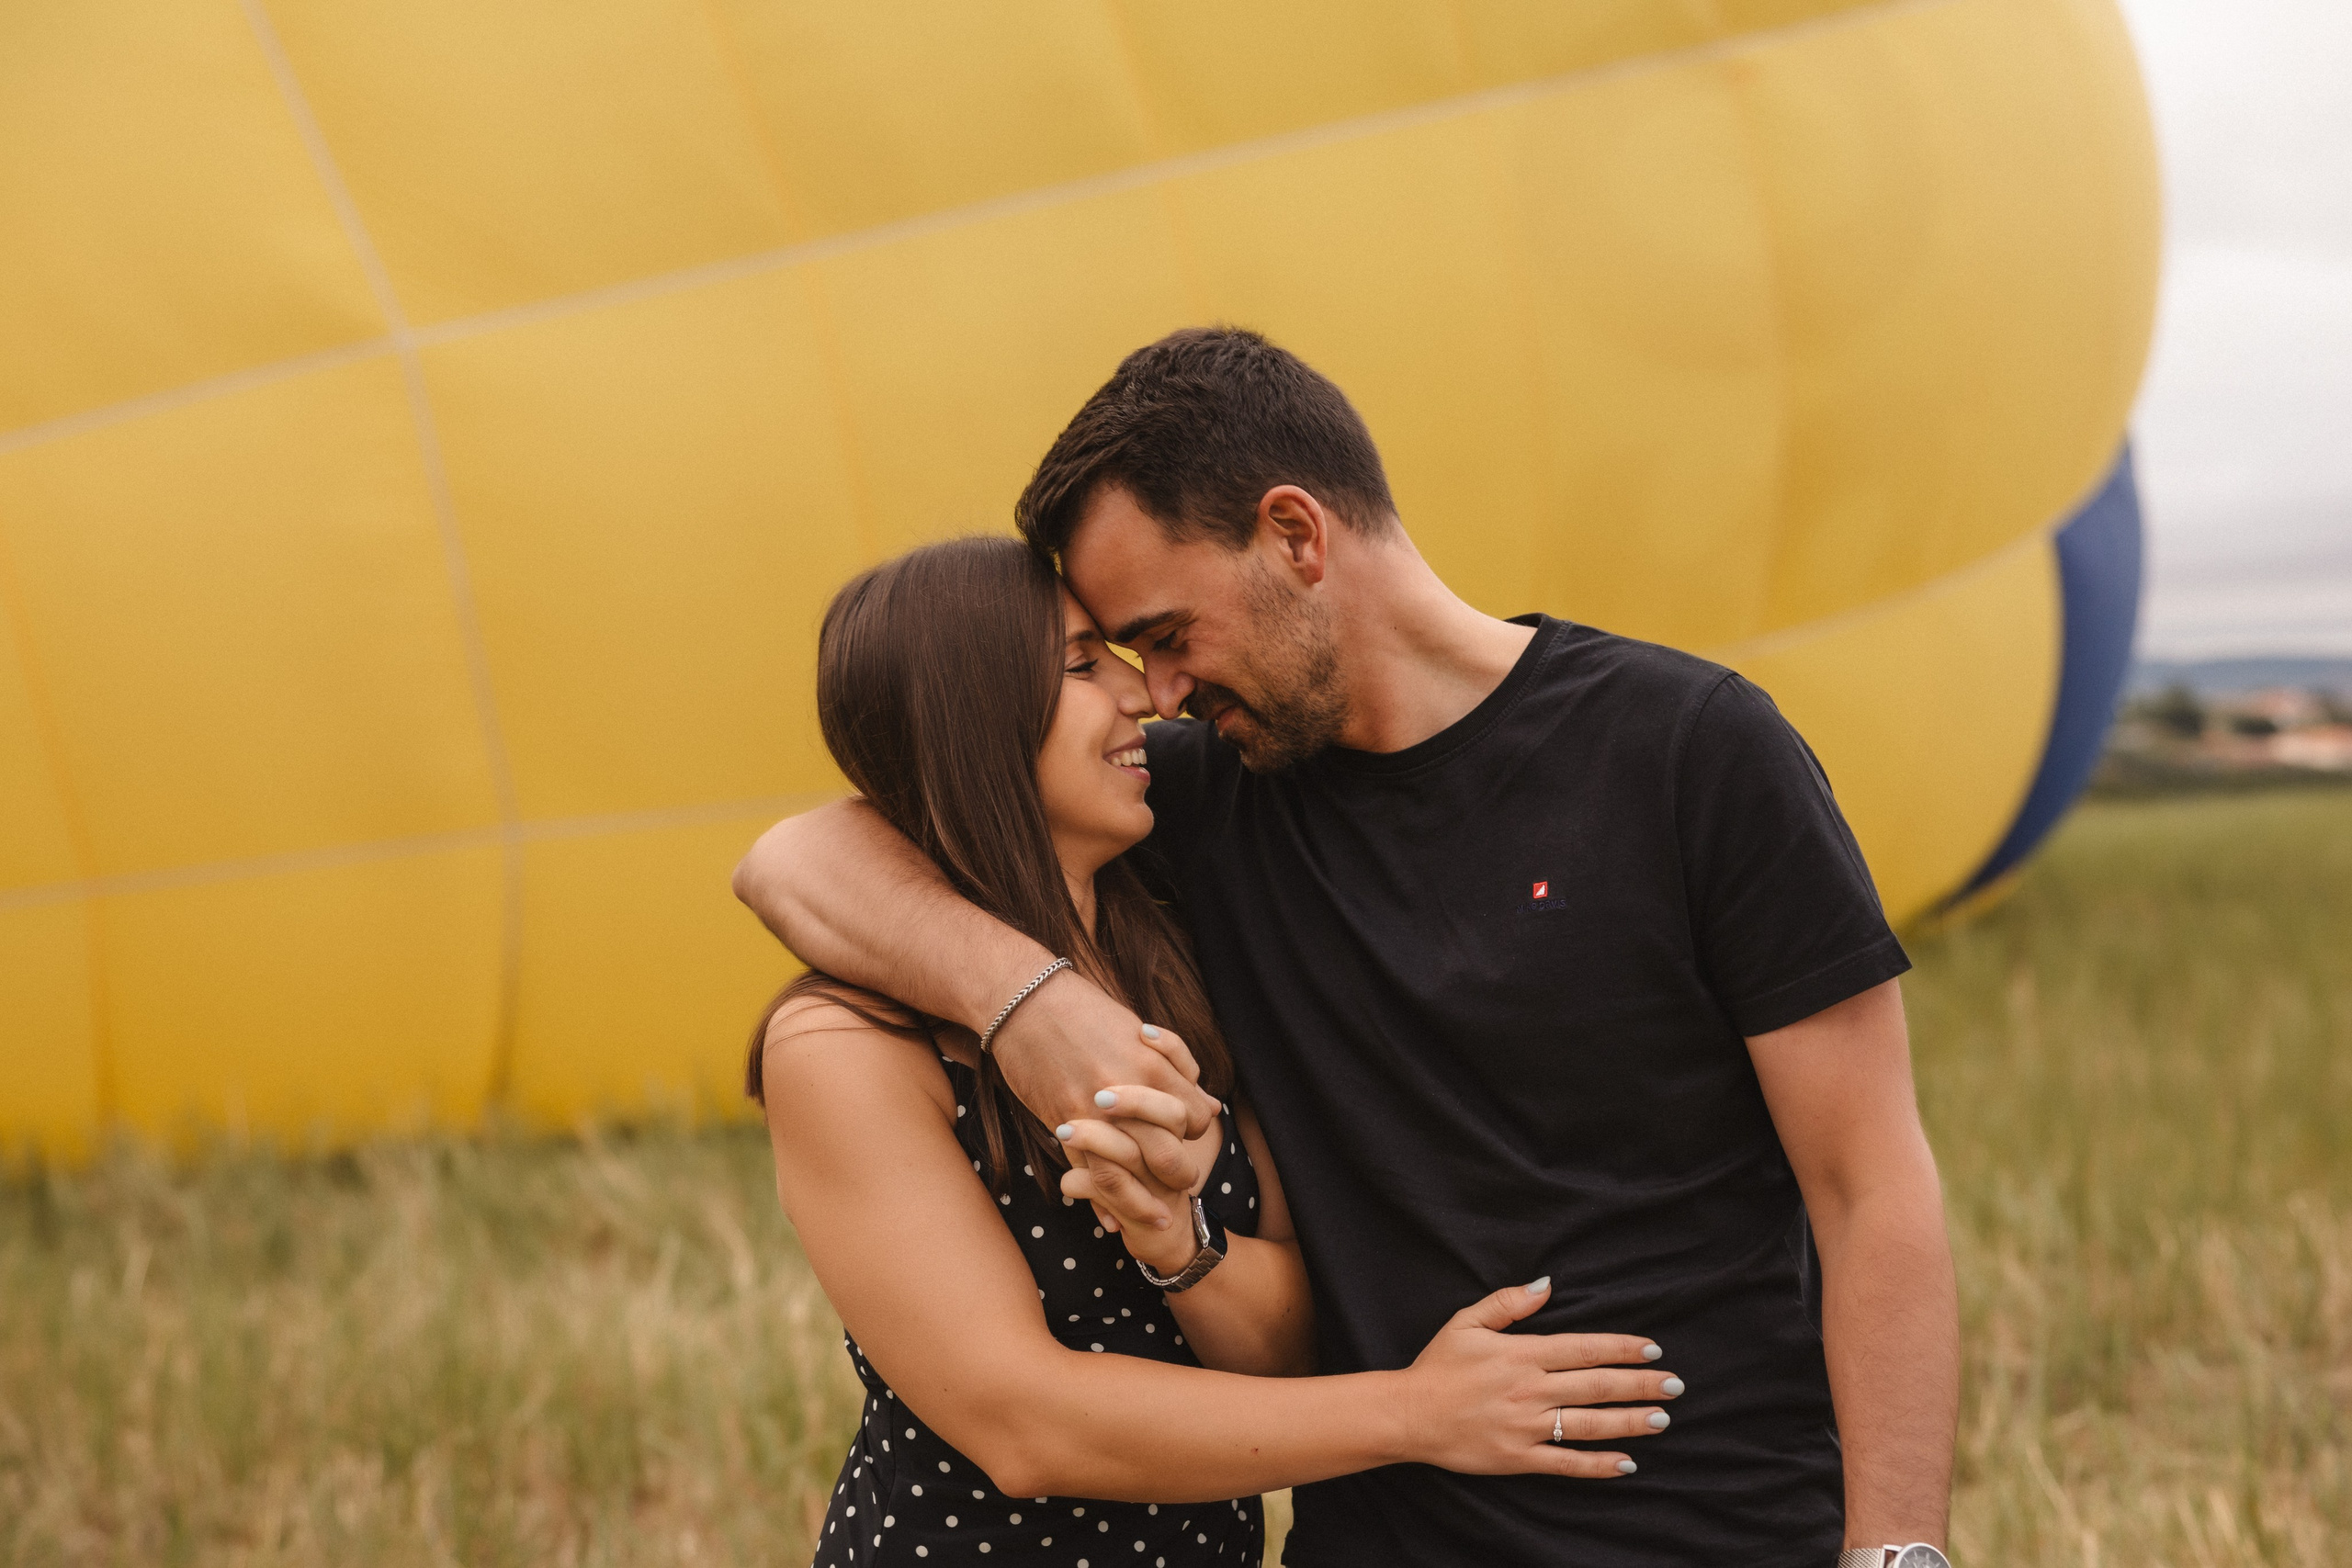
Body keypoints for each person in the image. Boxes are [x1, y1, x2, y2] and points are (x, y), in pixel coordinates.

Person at [739, 328, 1962, 1567]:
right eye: (1116, 656)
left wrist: (1898, 1550)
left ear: (1296, 536)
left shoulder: (1692, 750)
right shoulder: (1206, 792)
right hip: (1385, 1532)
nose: (1156, 691)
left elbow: (1871, 1187)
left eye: (1166, 633)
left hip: (1716, 1524)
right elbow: (807, 851)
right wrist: (1025, 998)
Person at [751, 536, 1682, 1568]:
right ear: (972, 724)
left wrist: (1177, 1242)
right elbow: (1023, 1428)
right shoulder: (844, 1047)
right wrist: (1418, 1413)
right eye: (1079, 664)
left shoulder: (1173, 953)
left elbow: (1283, 1354)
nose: (1140, 694)